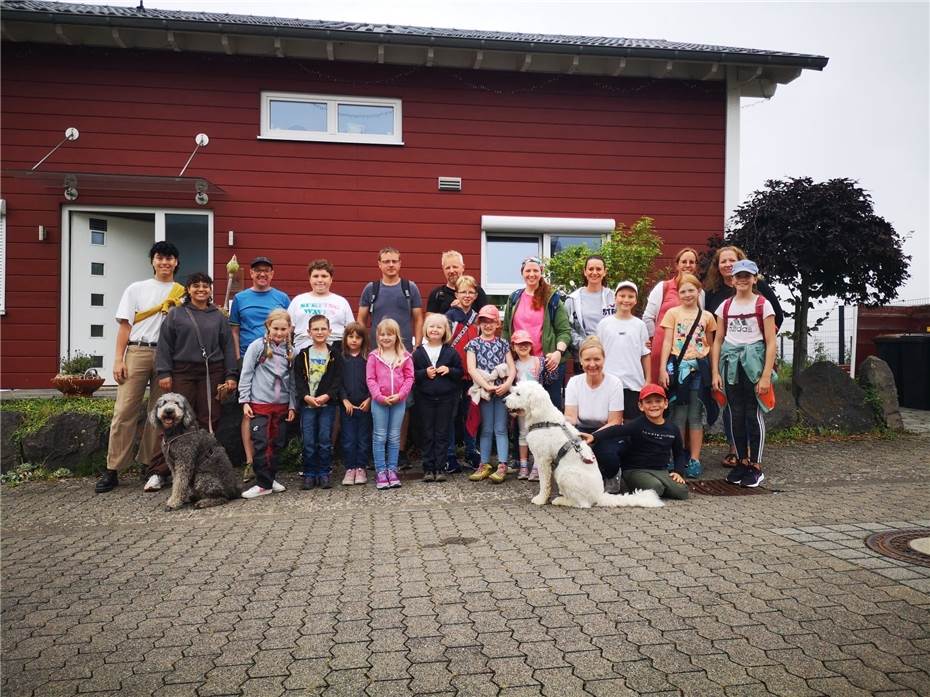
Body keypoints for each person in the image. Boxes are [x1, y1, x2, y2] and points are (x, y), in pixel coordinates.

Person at [95, 241, 185, 494]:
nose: (165, 262)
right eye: (160, 258)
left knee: (159, 413)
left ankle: (151, 464)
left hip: (167, 355)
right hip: (137, 350)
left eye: (169, 258)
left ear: (176, 262)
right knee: (124, 411)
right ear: (152, 261)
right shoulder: (136, 288)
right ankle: (113, 468)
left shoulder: (181, 292)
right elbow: (125, 325)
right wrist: (118, 358)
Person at [703, 245, 784, 467]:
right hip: (730, 363)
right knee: (734, 411)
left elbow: (771, 337)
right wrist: (715, 371)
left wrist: (767, 372)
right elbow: (717, 338)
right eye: (738, 276)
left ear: (754, 278)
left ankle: (755, 462)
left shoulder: (762, 303)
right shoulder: (722, 304)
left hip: (754, 362)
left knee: (753, 412)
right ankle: (740, 457)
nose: (741, 279)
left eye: (746, 276)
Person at [358, 247, 423, 467]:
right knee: (377, 400)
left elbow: (418, 318)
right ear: (379, 264)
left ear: (400, 263)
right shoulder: (371, 289)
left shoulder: (409, 288)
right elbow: (361, 320)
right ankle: (377, 452)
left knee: (403, 403)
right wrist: (364, 348)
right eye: (386, 261)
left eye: (395, 261)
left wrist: (418, 345)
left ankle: (400, 451)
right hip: (377, 356)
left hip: (402, 356)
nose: (391, 265)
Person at [155, 272, 238, 442]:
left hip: (212, 371)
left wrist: (231, 374)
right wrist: (164, 372)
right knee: (180, 414)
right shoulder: (176, 314)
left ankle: (205, 457)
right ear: (188, 290)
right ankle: (174, 460)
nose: (201, 289)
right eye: (196, 285)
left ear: (210, 290)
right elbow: (164, 344)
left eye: (205, 286)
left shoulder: (219, 316)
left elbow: (228, 346)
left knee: (210, 415)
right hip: (182, 371)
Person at [230, 256, 290, 480]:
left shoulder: (281, 297)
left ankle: (269, 462)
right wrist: (237, 357)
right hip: (249, 356)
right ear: (251, 274)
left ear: (272, 274)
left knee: (273, 414)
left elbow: (287, 326)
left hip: (278, 357)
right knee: (251, 411)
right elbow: (234, 330)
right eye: (257, 271)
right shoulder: (240, 298)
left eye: (266, 271)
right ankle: (249, 461)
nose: (262, 274)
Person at [582, 384, 690, 501]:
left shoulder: (672, 428)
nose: (654, 405)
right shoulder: (637, 424)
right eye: (648, 402)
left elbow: (679, 453)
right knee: (655, 488)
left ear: (665, 403)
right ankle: (651, 485)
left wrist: (678, 472)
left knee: (682, 492)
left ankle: (660, 485)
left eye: (658, 401)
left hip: (661, 470)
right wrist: (594, 437)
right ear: (641, 406)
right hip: (636, 470)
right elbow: (616, 430)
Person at [658, 273, 718, 478]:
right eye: (683, 291)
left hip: (699, 370)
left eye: (691, 290)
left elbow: (710, 344)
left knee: (695, 416)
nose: (687, 294)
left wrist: (714, 372)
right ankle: (677, 457)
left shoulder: (707, 317)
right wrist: (662, 369)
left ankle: (694, 459)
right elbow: (667, 342)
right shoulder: (672, 313)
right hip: (679, 368)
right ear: (678, 293)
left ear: (698, 291)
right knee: (678, 416)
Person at [239, 309, 297, 499]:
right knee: (262, 443)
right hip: (260, 404)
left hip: (281, 406)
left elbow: (294, 382)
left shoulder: (292, 352)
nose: (279, 333)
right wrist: (245, 400)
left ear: (289, 329)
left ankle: (269, 479)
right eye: (275, 328)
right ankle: (263, 484)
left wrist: (292, 405)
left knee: (276, 443)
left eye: (283, 329)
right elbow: (246, 373)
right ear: (268, 327)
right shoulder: (257, 347)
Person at [502, 256, 571, 411]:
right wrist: (507, 358)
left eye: (535, 270)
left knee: (550, 408)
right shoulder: (514, 298)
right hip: (521, 364)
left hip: (548, 363)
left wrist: (558, 353)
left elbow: (564, 331)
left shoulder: (552, 299)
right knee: (522, 408)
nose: (531, 274)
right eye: (528, 270)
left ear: (541, 272)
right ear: (522, 273)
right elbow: (506, 329)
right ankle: (524, 436)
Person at [564, 336, 623, 491]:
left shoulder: (615, 383)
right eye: (587, 360)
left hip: (607, 431)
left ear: (604, 359)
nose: (592, 364)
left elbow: (615, 421)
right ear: (581, 361)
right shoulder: (574, 382)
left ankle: (612, 475)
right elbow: (571, 417)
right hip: (581, 430)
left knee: (608, 458)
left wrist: (595, 437)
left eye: (597, 359)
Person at [467, 305, 516, 484]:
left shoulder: (503, 344)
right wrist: (486, 386)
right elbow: (472, 369)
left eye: (491, 322)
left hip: (501, 390)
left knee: (501, 428)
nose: (487, 325)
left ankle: (502, 464)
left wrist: (507, 384)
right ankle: (484, 464)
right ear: (479, 323)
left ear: (497, 324)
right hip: (484, 392)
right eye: (484, 322)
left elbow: (511, 368)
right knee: (486, 428)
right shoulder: (473, 344)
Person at [412, 313, 464, 482]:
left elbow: (460, 372)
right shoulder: (419, 353)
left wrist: (449, 371)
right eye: (431, 326)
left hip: (446, 399)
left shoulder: (451, 352)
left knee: (442, 433)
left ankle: (440, 468)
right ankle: (428, 468)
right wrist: (423, 373)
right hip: (425, 399)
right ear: (425, 329)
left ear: (445, 331)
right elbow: (412, 375)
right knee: (427, 433)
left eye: (439, 327)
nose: (435, 329)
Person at [642, 247, 704, 382]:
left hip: (688, 350)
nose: (688, 265)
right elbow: (648, 317)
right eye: (684, 261)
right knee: (659, 386)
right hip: (662, 346)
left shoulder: (700, 292)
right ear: (677, 264)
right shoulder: (663, 287)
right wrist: (653, 339)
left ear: (696, 266)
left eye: (692, 262)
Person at [295, 315, 342, 491]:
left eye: (323, 329)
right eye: (316, 329)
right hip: (308, 405)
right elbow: (298, 380)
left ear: (329, 331)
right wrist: (305, 396)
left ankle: (324, 472)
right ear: (309, 332)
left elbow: (337, 380)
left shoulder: (334, 355)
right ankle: (309, 473)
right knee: (308, 440)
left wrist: (327, 396)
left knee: (324, 439)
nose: (320, 332)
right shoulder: (303, 355)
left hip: (327, 405)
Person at [366, 319, 414, 490]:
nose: (386, 337)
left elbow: (409, 378)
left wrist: (401, 395)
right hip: (380, 402)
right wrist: (378, 396)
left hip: (398, 402)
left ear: (396, 336)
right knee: (379, 436)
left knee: (394, 437)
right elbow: (370, 379)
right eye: (382, 334)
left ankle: (392, 470)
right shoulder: (374, 356)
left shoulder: (405, 356)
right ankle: (380, 471)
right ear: (377, 336)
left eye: (390, 334)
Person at [596, 281, 651, 420]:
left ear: (636, 300)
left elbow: (645, 354)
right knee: (609, 423)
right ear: (615, 298)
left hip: (634, 384)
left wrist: (648, 380)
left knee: (631, 424)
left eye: (630, 296)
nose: (626, 300)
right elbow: (597, 353)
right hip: (608, 382)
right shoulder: (604, 324)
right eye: (622, 296)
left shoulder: (640, 325)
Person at [445, 275, 482, 473]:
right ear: (456, 294)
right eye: (463, 292)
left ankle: (471, 450)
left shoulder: (478, 319)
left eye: (470, 292)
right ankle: (450, 454)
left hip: (472, 374)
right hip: (453, 372)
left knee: (471, 414)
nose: (467, 295)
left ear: (475, 295)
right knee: (451, 414)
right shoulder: (449, 316)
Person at [288, 259, 354, 352]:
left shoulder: (341, 302)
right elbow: (287, 330)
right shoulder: (298, 300)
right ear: (310, 279)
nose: (320, 280)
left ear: (331, 279)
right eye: (315, 276)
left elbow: (351, 330)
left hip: (335, 352)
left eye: (324, 276)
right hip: (302, 352)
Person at [565, 255, 615, 364]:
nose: (594, 272)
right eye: (591, 269)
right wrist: (585, 345)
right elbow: (567, 328)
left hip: (610, 357)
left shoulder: (614, 298)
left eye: (598, 269)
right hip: (583, 359)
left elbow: (622, 322)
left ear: (605, 272)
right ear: (585, 271)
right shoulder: (573, 299)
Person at [339, 322, 372, 486]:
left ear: (363, 339)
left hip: (365, 405)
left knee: (363, 438)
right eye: (350, 337)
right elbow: (337, 382)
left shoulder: (368, 358)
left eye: (358, 337)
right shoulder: (341, 358)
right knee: (349, 438)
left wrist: (369, 398)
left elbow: (374, 380)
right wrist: (344, 399)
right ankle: (350, 468)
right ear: (345, 339)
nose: (354, 340)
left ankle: (361, 467)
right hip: (348, 407)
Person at [510, 329, 541, 481]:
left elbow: (544, 382)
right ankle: (523, 466)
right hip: (522, 406)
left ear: (531, 345)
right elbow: (511, 385)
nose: (523, 346)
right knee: (523, 434)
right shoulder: (513, 365)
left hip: (535, 405)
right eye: (519, 344)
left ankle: (536, 466)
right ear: (514, 346)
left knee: (537, 434)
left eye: (526, 343)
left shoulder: (537, 361)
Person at [426, 249, 488, 314]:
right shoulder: (437, 294)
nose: (451, 271)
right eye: (447, 268)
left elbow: (486, 319)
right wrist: (451, 310)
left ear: (463, 267)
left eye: (455, 267)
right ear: (443, 269)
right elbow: (429, 322)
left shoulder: (476, 290)